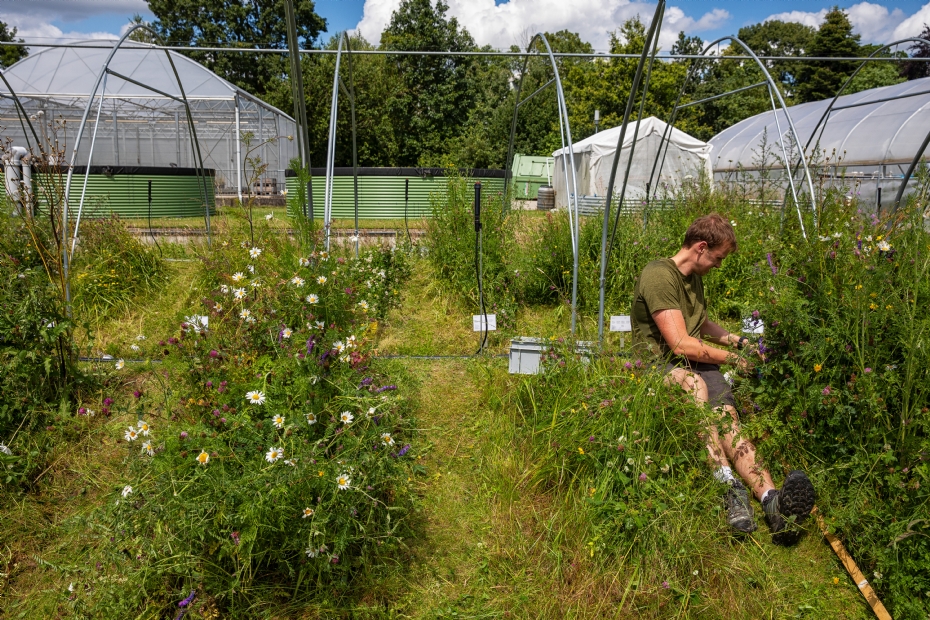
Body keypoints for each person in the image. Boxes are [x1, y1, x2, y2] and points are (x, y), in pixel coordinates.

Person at [631, 213, 814, 544]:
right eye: (717, 258)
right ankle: (728, 487)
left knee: (728, 419)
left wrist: (735, 340)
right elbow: (679, 342)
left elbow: (699, 325)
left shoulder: (694, 278)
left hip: (693, 361)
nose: (718, 265)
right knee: (694, 385)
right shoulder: (658, 275)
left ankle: (772, 501)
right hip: (658, 366)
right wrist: (733, 359)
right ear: (701, 248)